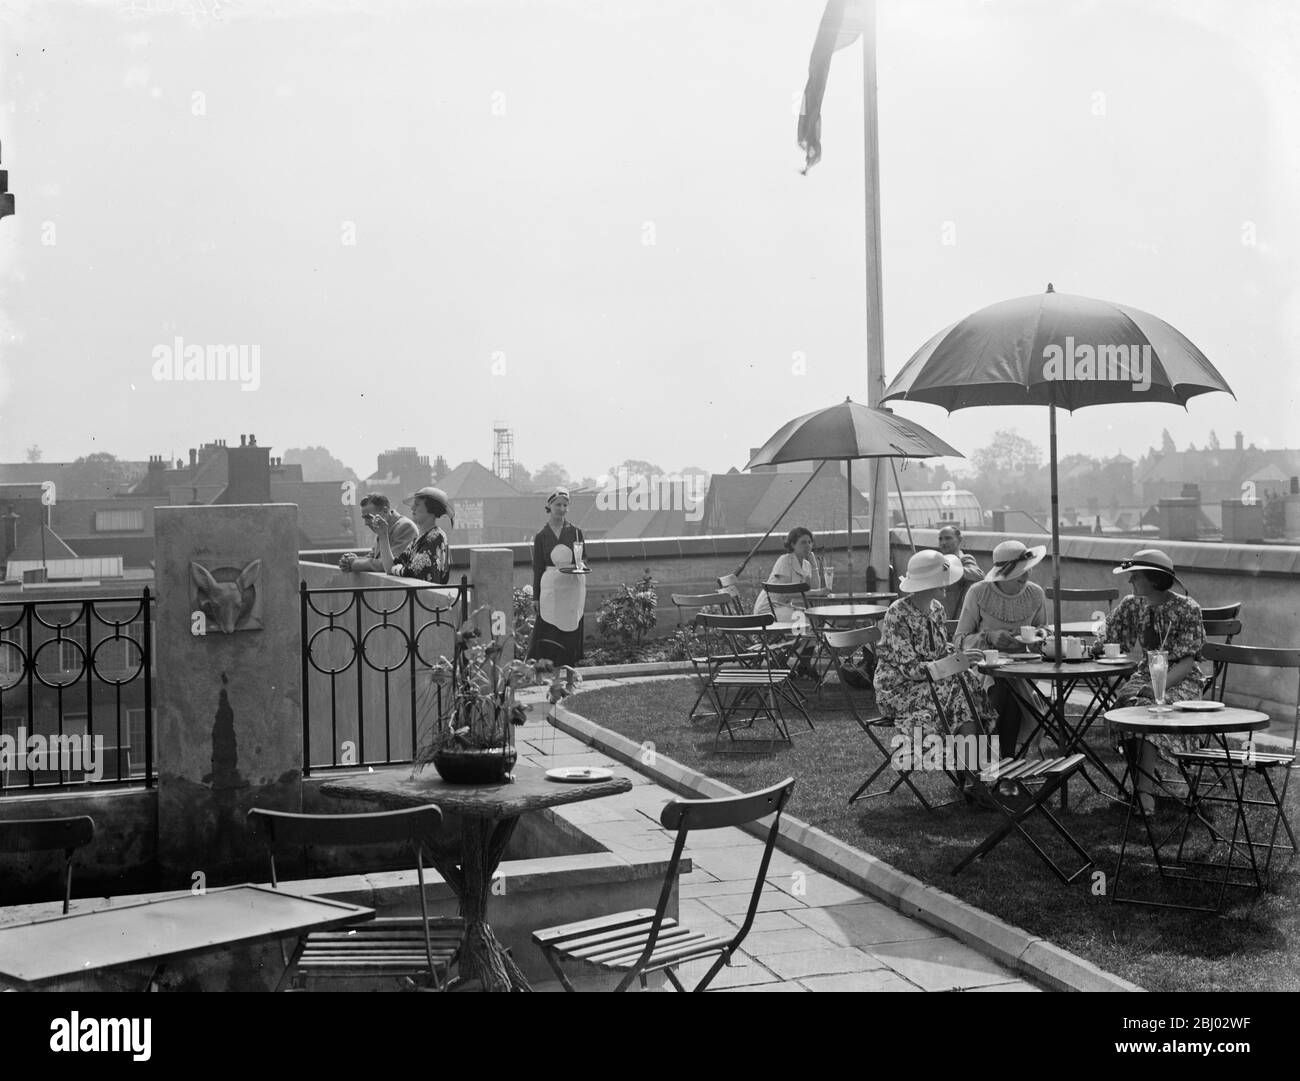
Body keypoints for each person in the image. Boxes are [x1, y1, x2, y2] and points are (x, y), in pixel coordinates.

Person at [875, 549, 994, 790]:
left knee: (968, 681)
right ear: (929, 584)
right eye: (943, 582)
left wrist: (959, 658)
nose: (948, 586)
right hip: (899, 690)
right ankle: (974, 776)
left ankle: (972, 774)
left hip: (934, 683)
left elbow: (940, 650)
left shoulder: (937, 608)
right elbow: (910, 670)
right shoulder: (898, 613)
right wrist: (954, 664)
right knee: (961, 688)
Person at [1099, 549, 1205, 815]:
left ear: (1154, 579)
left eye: (1135, 577)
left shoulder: (1186, 609)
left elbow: (1187, 662)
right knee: (1126, 704)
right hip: (1145, 675)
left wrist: (1160, 686)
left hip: (1180, 679)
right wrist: (1092, 647)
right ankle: (1143, 782)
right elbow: (1114, 641)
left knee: (1151, 707)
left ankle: (1143, 792)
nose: (1129, 582)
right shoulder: (1132, 605)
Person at [954, 540, 1048, 757]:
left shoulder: (1035, 594)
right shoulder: (979, 592)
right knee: (1002, 691)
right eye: (1019, 572)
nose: (1026, 575)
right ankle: (1002, 765)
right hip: (982, 669)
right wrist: (989, 637)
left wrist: (1039, 636)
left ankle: (999, 766)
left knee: (1010, 690)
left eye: (1027, 569)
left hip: (1024, 670)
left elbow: (1044, 629)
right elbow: (959, 640)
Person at [527, 488, 588, 666]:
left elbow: (583, 557)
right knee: (547, 627)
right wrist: (536, 597)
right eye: (558, 504)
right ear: (549, 506)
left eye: (565, 505)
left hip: (571, 588)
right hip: (551, 588)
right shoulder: (542, 536)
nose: (561, 508)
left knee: (570, 630)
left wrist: (580, 565)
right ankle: (544, 670)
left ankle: (568, 669)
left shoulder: (576, 532)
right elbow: (538, 568)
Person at [753, 527, 822, 622]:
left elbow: (815, 588)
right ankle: (799, 636)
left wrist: (814, 566)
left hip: (784, 608)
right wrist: (817, 592)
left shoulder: (806, 565)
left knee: (818, 616)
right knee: (806, 618)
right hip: (769, 610)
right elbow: (786, 593)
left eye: (809, 542)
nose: (807, 546)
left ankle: (802, 636)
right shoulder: (785, 560)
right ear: (793, 544)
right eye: (803, 542)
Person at [340, 493, 419, 574]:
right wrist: (353, 560)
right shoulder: (383, 528)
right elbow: (373, 557)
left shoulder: (405, 527)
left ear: (385, 511)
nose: (366, 523)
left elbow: (389, 564)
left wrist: (354, 564)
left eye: (368, 517)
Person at [391, 487, 453, 584]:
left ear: (431, 508)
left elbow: (413, 571)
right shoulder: (418, 539)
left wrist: (398, 570)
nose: (412, 508)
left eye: (417, 504)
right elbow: (397, 562)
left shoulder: (436, 537)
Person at [937, 525, 984, 622]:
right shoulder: (938, 561)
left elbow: (979, 575)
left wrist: (954, 569)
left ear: (959, 539)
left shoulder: (964, 559)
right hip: (939, 617)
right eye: (940, 539)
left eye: (948, 538)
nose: (943, 542)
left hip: (957, 620)